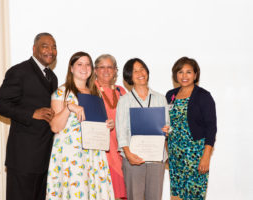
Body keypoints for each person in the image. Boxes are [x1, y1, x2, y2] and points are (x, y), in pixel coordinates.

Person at [0, 32, 58, 200]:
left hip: (45, 157)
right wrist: (31, 113)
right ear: (34, 49)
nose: (50, 50)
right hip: (23, 158)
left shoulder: (52, 77)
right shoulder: (19, 71)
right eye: (45, 46)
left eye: (54, 47)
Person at [46, 51, 115, 200]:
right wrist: (69, 107)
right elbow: (55, 127)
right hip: (72, 155)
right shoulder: (62, 92)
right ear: (71, 68)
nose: (84, 67)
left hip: (94, 153)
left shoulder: (95, 93)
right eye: (79, 64)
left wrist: (107, 124)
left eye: (87, 64)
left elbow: (95, 121)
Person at [116, 58, 169, 200]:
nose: (140, 73)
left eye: (142, 68)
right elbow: (121, 131)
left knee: (155, 197)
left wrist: (166, 130)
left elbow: (168, 127)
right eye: (135, 71)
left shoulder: (160, 98)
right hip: (133, 157)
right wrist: (128, 154)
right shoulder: (124, 100)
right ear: (129, 77)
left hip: (156, 158)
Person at [165, 57, 217, 200]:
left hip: (195, 155)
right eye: (180, 72)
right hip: (175, 153)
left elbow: (211, 128)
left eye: (188, 72)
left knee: (193, 195)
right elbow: (166, 123)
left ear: (195, 74)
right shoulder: (170, 95)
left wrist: (206, 157)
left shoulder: (203, 96)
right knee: (176, 195)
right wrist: (166, 152)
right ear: (176, 74)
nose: (184, 76)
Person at [93, 54, 127, 199]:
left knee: (121, 194)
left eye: (110, 67)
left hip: (121, 150)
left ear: (115, 70)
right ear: (95, 70)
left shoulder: (121, 91)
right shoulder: (89, 90)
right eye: (102, 67)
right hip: (101, 151)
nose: (106, 71)